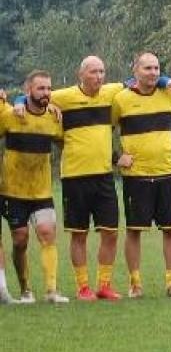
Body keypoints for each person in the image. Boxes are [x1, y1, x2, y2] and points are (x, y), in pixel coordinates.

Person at [113, 52, 171, 298]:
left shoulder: (169, 95)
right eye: (147, 68)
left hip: (165, 173)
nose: (152, 72)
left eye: (156, 68)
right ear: (135, 71)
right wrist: (116, 157)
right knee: (134, 230)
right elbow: (101, 131)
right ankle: (135, 284)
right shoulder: (121, 99)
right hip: (136, 176)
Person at [50, 56, 130, 300]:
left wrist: (166, 80)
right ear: (81, 74)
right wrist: (26, 101)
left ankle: (104, 285)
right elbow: (35, 95)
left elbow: (140, 80)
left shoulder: (111, 92)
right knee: (79, 234)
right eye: (94, 72)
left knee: (111, 232)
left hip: (104, 176)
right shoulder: (62, 97)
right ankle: (83, 287)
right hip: (75, 177)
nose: (99, 76)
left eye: (102, 72)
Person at [1, 70, 67, 303]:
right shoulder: (11, 115)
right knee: (20, 241)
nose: (46, 93)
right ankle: (26, 290)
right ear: (28, 90)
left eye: (49, 88)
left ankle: (51, 290)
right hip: (13, 191)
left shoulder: (54, 117)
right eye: (41, 88)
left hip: (42, 191)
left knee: (48, 234)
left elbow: (64, 141)